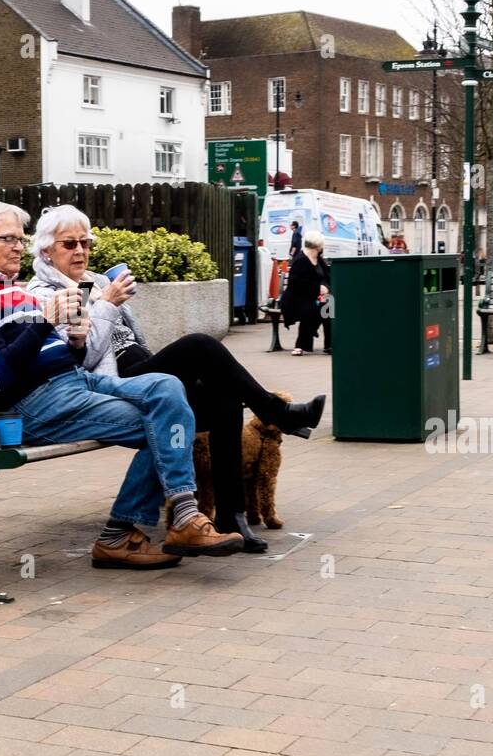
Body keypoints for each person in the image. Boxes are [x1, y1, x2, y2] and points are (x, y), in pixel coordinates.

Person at [0, 203, 244, 569]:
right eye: (8, 239)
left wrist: (75, 342)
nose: (17, 247)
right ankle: (141, 530)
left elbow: (58, 358)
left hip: (72, 382)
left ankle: (161, 523)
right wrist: (43, 323)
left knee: (167, 388)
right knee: (165, 424)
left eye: (20, 240)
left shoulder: (14, 292)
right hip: (34, 404)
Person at [25, 206, 326, 555]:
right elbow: (84, 358)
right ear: (47, 251)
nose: (80, 250)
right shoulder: (48, 294)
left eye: (85, 242)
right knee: (199, 344)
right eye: (69, 244)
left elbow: (133, 339)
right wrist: (106, 304)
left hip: (140, 370)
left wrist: (109, 299)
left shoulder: (93, 280)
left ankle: (232, 515)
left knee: (223, 397)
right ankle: (278, 413)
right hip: (112, 386)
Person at [281, 230, 332, 356]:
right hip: (296, 299)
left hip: (315, 297)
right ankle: (301, 345)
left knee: (329, 305)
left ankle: (330, 344)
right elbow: (296, 285)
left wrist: (325, 289)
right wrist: (318, 290)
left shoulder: (319, 260)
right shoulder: (300, 261)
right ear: (317, 247)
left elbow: (327, 278)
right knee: (311, 309)